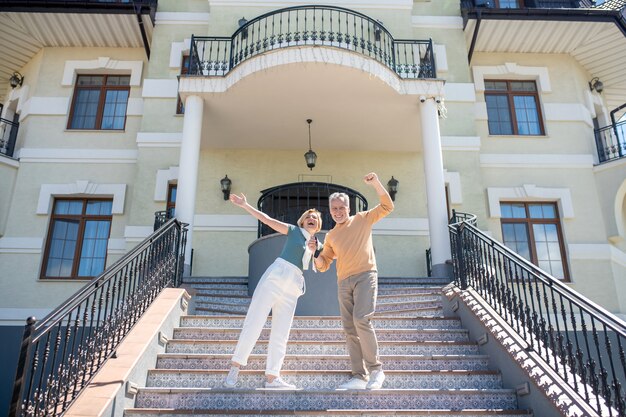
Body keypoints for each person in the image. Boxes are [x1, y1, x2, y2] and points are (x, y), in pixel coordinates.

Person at [223, 192, 322, 389]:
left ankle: (272, 377)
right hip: (277, 274)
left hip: (294, 284)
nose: (312, 219)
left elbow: (326, 260)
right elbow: (267, 220)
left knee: (281, 332)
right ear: (302, 222)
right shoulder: (293, 231)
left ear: (318, 226)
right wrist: (245, 205)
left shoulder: (316, 244)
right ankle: (235, 368)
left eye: (316, 218)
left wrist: (317, 248)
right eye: (308, 217)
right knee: (255, 320)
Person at [308, 172, 394, 390]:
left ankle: (376, 370)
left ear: (349, 208)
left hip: (366, 276)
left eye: (341, 208)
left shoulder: (362, 219)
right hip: (343, 282)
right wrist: (313, 253)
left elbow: (387, 206)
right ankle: (358, 375)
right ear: (330, 210)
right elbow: (324, 264)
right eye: (334, 208)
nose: (338, 212)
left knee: (361, 320)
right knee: (349, 328)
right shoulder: (331, 237)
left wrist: (375, 183)